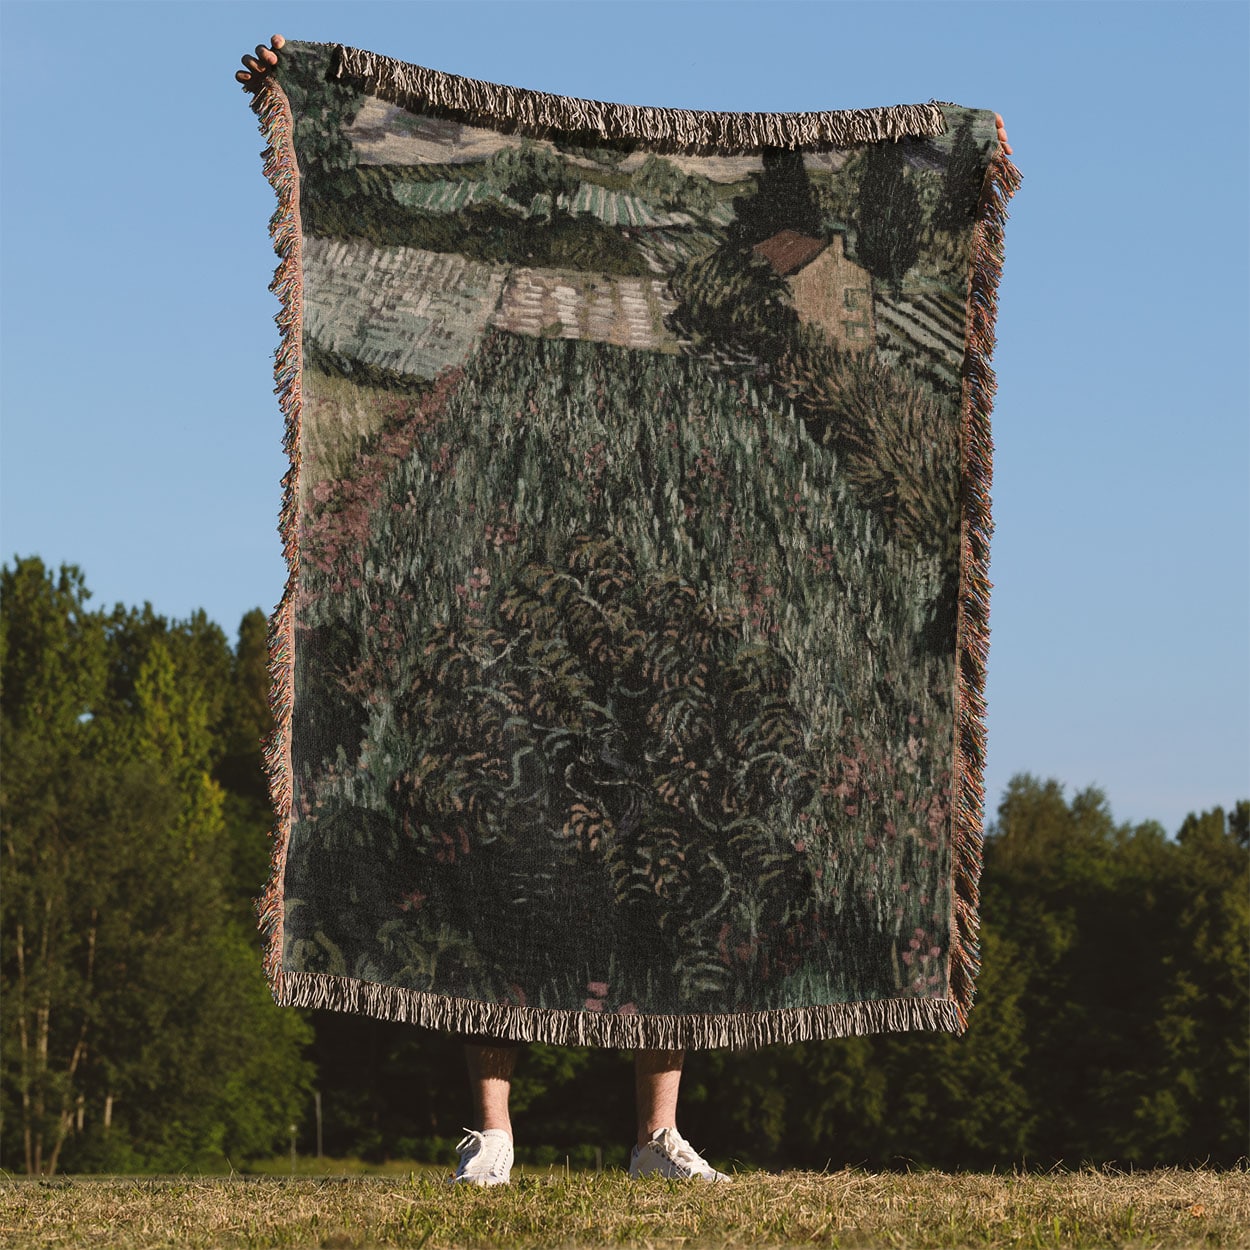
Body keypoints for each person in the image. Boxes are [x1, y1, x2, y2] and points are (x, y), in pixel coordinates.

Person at [235, 32, 731, 1186]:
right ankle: (493, 1131)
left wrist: (953, 154)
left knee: (657, 872)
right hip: (504, 627)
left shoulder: (645, 341)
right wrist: (289, 78)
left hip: (631, 633)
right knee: (486, 863)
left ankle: (657, 1132)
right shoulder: (492, 347)